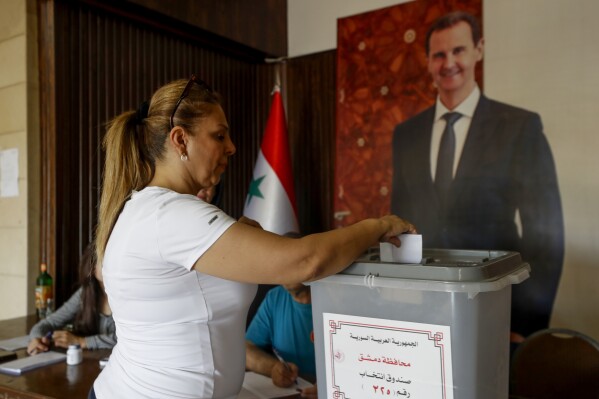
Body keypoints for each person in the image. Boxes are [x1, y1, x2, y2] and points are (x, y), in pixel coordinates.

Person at [91, 75, 416, 399]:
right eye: (219, 136)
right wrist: (378, 225)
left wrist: (236, 238)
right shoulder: (172, 215)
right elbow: (306, 262)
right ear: (180, 140)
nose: (231, 147)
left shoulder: (148, 208)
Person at [391, 11, 564, 340]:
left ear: (478, 50)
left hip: (498, 309)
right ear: (428, 61)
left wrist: (526, 324)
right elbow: (399, 224)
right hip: (423, 310)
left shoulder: (519, 127)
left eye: (458, 51)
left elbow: (547, 236)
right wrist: (397, 301)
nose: (449, 63)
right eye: (439, 55)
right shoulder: (406, 135)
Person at [27, 243, 115, 355]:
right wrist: (36, 339)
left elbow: (130, 338)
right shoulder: (85, 293)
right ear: (92, 269)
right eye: (106, 262)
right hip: (93, 363)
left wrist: (81, 342)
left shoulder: (128, 294)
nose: (114, 267)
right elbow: (48, 323)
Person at [246, 283, 318, 398]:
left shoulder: (336, 297)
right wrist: (273, 368)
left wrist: (332, 386)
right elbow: (246, 351)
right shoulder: (275, 297)